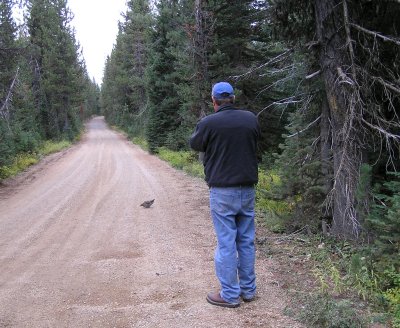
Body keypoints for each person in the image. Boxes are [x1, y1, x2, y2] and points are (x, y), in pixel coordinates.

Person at [189, 82, 260, 308]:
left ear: (214, 100)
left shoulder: (209, 123)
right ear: (233, 98)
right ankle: (248, 290)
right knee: (246, 240)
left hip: (222, 191)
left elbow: (195, 144)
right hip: (247, 189)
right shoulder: (251, 119)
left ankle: (230, 294)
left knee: (227, 242)